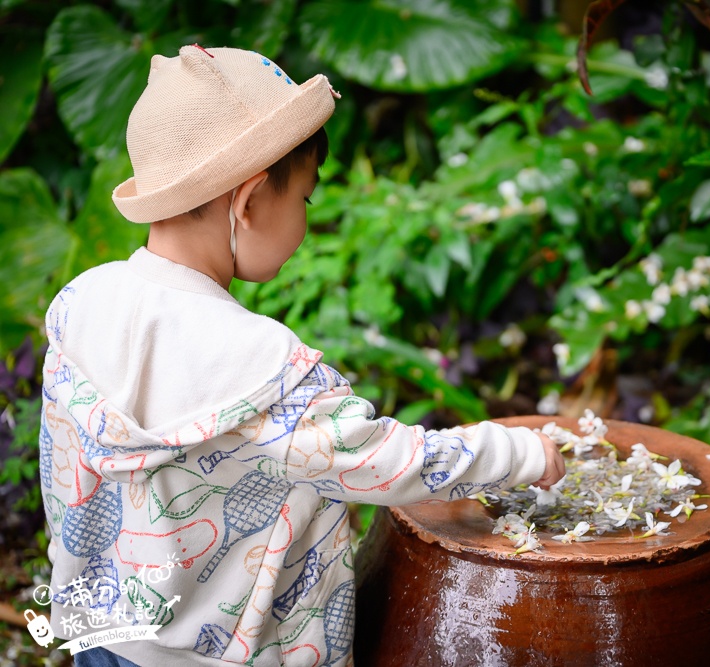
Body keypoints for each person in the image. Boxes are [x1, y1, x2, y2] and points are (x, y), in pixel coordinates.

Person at [39, 45, 564, 667]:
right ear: (251, 200)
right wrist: (522, 453)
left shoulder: (80, 305)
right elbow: (383, 460)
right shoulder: (253, 360)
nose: (307, 223)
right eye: (306, 200)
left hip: (101, 638)